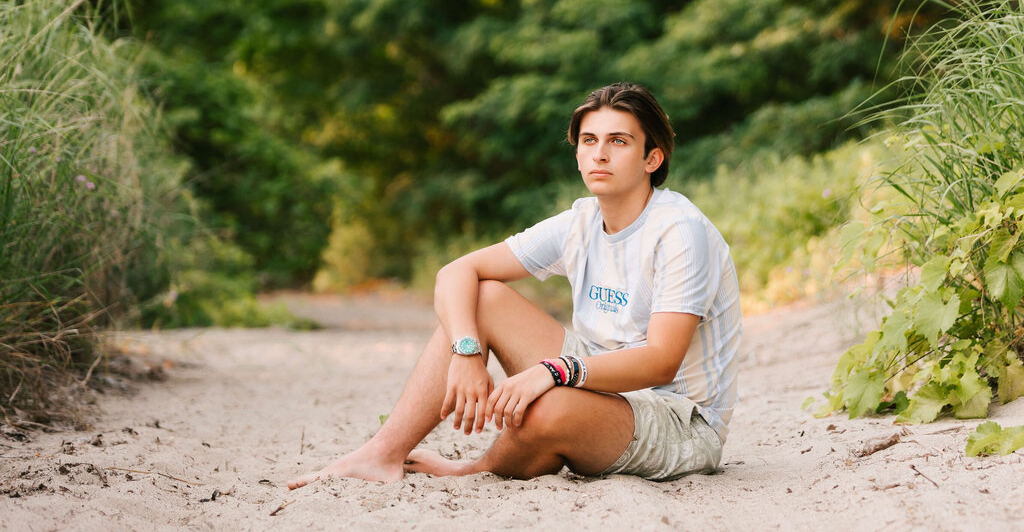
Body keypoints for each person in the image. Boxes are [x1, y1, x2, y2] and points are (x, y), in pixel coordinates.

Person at [287, 82, 741, 486]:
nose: (600, 153)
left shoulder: (679, 230)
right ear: (578, 152)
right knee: (481, 297)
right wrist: (465, 353)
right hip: (600, 379)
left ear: (652, 158)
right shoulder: (581, 220)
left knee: (550, 407)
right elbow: (455, 272)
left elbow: (662, 362)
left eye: (618, 141)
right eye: (589, 140)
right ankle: (381, 454)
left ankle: (476, 468)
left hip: (680, 419)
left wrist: (554, 371)